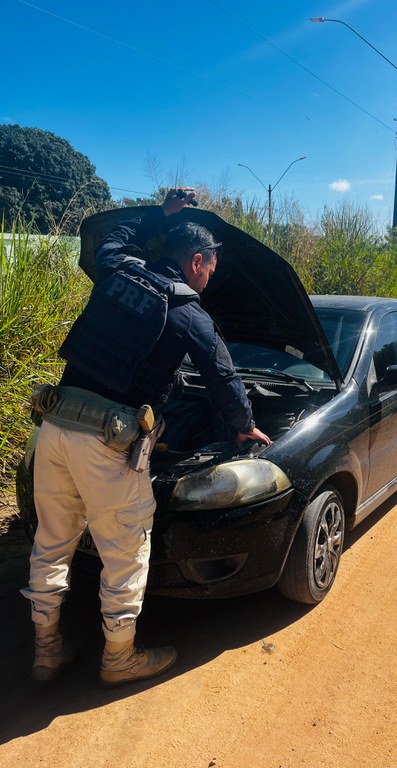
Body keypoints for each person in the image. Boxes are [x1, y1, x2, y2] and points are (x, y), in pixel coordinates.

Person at [22, 188, 271, 687]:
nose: (208, 279)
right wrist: (244, 426)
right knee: (125, 549)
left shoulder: (118, 270)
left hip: (55, 424)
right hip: (107, 440)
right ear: (197, 261)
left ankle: (47, 650)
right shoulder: (189, 313)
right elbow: (223, 378)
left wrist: (159, 213)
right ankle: (119, 659)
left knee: (51, 542)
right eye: (210, 270)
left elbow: (112, 239)